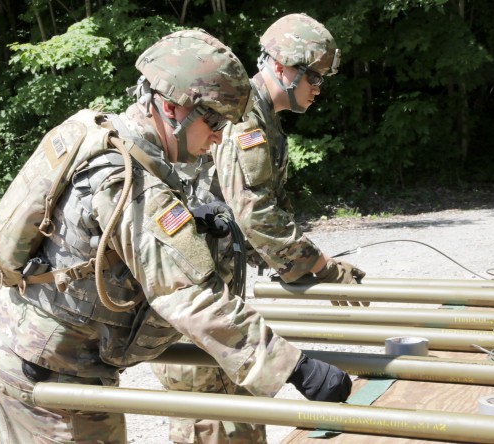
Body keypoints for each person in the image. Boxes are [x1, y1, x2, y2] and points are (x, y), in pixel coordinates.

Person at [0, 29, 352, 444]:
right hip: (52, 383)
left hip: (26, 355)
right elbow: (188, 296)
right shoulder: (131, 182)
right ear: (172, 108)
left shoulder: (118, 143)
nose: (220, 136)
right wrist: (295, 368)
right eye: (212, 121)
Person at [152, 14, 367, 443]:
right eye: (315, 78)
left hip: (219, 293)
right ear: (286, 68)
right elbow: (254, 212)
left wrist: (301, 263)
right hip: (198, 299)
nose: (318, 90)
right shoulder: (246, 116)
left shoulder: (261, 116)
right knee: (209, 424)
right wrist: (320, 265)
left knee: (243, 422)